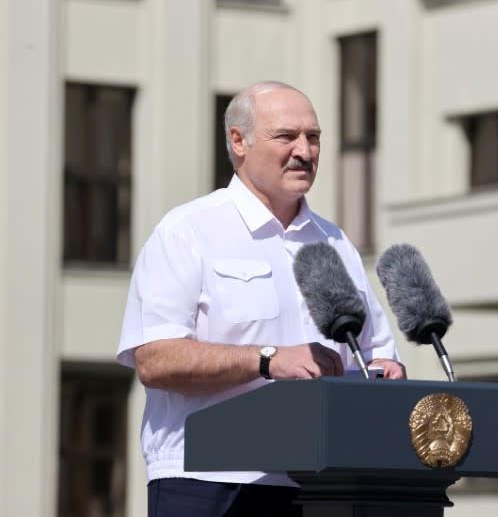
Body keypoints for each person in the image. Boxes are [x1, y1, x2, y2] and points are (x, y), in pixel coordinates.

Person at [116, 81, 405, 517]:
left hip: (322, 485)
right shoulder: (188, 230)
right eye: (287, 136)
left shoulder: (335, 243)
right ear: (239, 141)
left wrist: (384, 372)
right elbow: (155, 360)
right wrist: (269, 359)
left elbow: (374, 352)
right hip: (208, 482)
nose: (305, 151)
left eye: (314, 137)